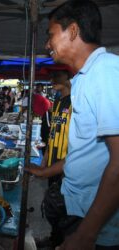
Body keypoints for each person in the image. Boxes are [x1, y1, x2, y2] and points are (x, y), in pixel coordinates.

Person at [45, 1, 119, 248]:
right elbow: (89, 152)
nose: (48, 45)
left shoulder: (107, 72)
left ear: (73, 31)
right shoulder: (85, 77)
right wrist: (44, 171)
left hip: (95, 224)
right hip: (78, 208)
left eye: (51, 35)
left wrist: (86, 235)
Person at [25, 69, 72, 248]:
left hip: (68, 164)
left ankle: (63, 242)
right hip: (52, 161)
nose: (52, 80)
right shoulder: (58, 102)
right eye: (51, 77)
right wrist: (45, 159)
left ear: (69, 77)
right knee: (54, 206)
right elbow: (53, 133)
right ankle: (55, 239)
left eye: (57, 76)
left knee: (66, 208)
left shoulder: (78, 101)